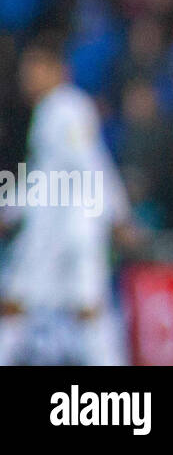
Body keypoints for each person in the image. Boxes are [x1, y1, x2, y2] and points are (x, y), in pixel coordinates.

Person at [0, 32, 131, 365]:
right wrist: (10, 210)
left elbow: (92, 164)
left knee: (88, 311)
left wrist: (116, 216)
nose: (27, 78)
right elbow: (41, 178)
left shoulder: (70, 107)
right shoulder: (48, 111)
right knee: (18, 306)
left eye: (34, 68)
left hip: (74, 232)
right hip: (47, 232)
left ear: (57, 69)